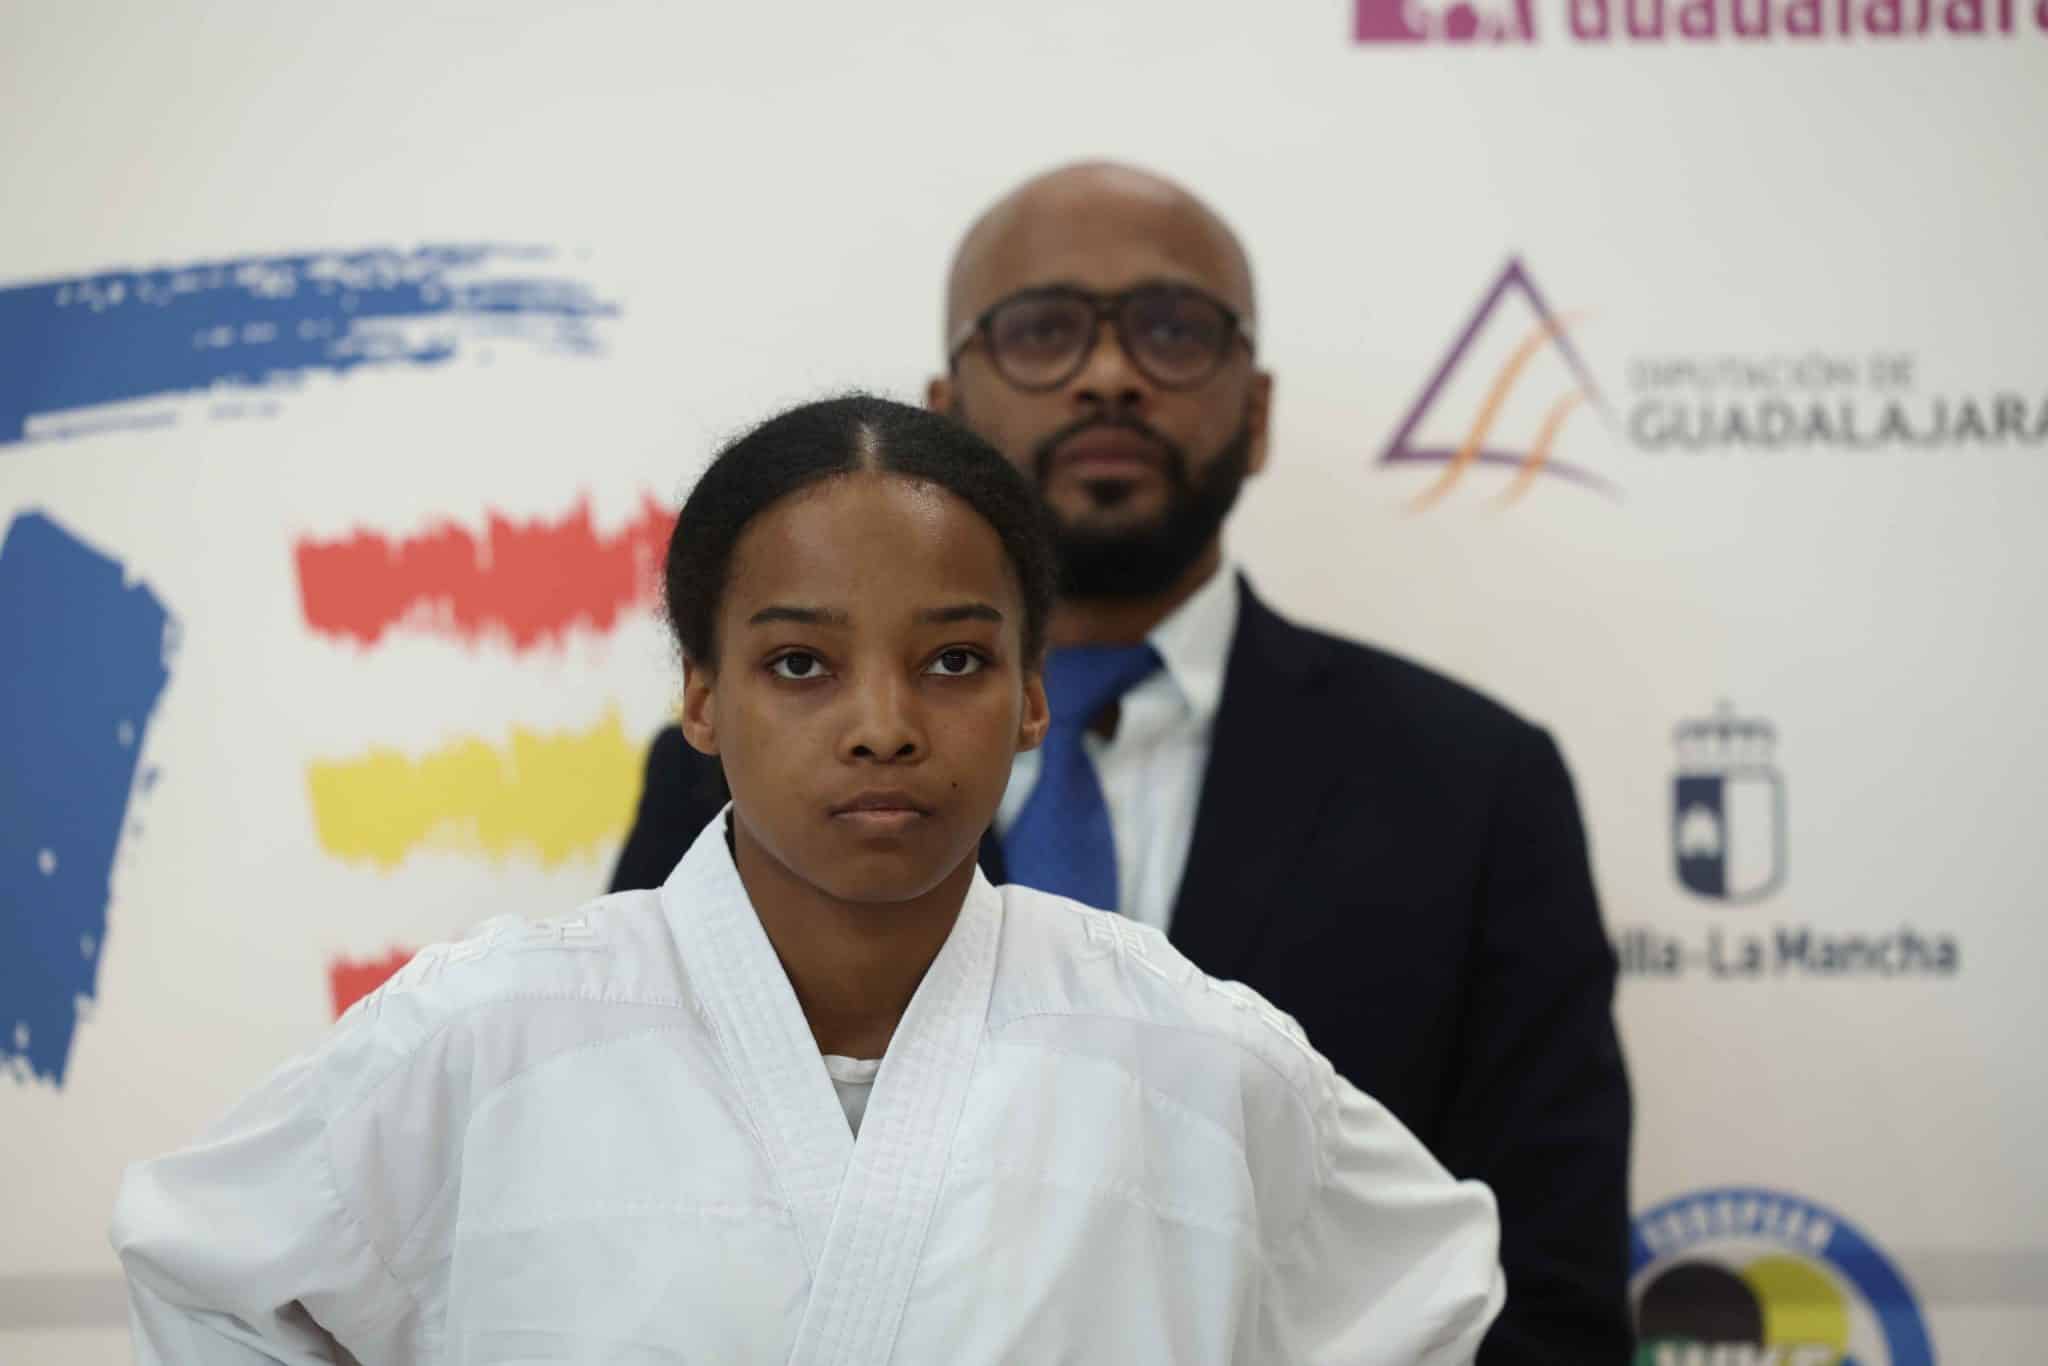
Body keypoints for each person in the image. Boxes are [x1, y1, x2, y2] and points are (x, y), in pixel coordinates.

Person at [111, 396, 1503, 1363]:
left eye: (954, 659)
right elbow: (205, 1268)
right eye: (799, 663)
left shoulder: (1196, 1059)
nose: (882, 723)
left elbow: (1431, 1299)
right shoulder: (481, 1040)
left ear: (1031, 693)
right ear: (701, 696)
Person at [610, 167, 1634, 1362]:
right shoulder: (726, 778)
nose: (1108, 374)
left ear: (1256, 410)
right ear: (943, 411)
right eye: (1042, 330)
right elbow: (635, 1191)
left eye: (1172, 330)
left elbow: (1537, 1306)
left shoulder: (1472, 786)